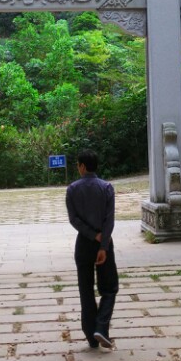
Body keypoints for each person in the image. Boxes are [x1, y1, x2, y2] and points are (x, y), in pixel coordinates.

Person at [65, 149, 119, 350]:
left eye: (78, 165)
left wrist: (91, 234)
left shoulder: (72, 189)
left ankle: (91, 336)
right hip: (104, 245)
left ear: (82, 166)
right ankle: (101, 327)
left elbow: (74, 219)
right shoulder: (107, 188)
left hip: (84, 244)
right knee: (110, 288)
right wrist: (103, 242)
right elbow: (109, 220)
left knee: (86, 290)